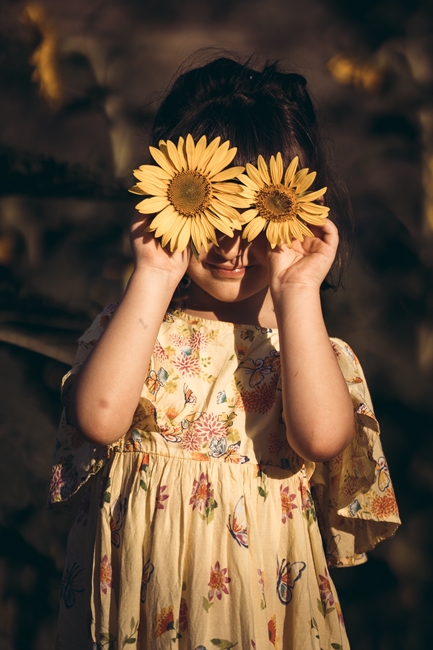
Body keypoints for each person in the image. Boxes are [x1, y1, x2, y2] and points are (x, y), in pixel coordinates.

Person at [49, 56, 400, 650]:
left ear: (297, 209)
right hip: (143, 610)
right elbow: (99, 420)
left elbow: (320, 438)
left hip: (262, 614)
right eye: (209, 205)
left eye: (259, 209)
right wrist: (157, 274)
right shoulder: (138, 331)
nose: (235, 240)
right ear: (171, 197)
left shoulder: (304, 346)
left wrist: (297, 291)